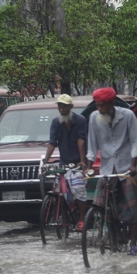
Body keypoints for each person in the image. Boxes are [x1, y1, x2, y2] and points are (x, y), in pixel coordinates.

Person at [86, 87, 137, 255]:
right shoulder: (93, 118)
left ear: (112, 103)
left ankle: (133, 244)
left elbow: (136, 142)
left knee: (134, 207)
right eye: (97, 105)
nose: (100, 109)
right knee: (100, 201)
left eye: (103, 105)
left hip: (128, 166)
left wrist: (133, 165)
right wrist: (89, 168)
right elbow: (92, 146)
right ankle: (108, 231)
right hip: (107, 168)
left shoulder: (127, 116)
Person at [44, 94, 89, 231]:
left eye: (64, 106)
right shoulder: (56, 122)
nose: (62, 109)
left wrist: (82, 161)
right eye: (60, 106)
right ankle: (65, 216)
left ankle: (82, 219)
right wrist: (45, 161)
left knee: (79, 190)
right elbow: (52, 143)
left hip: (78, 162)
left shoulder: (80, 120)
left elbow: (81, 141)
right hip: (64, 162)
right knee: (59, 190)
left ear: (71, 107)